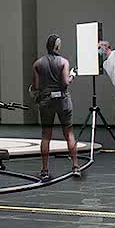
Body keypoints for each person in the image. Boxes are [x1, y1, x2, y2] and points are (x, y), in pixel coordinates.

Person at [31, 34, 80, 181]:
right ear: (57, 46)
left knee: (46, 136)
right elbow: (65, 83)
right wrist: (72, 75)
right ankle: (75, 166)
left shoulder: (38, 64)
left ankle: (45, 170)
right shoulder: (64, 62)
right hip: (62, 101)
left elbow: (36, 86)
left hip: (46, 101)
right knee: (69, 133)